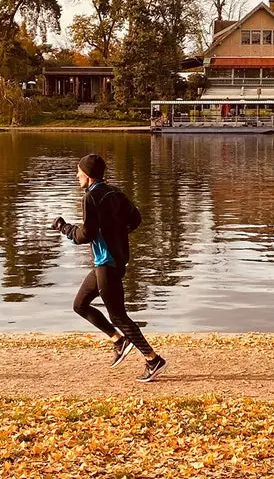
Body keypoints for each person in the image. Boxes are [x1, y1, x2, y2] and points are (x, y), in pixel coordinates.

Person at [53, 154, 167, 382]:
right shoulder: (116, 192)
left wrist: (66, 229)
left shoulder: (91, 197)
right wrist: (117, 235)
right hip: (108, 262)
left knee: (118, 315)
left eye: (79, 172)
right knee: (80, 305)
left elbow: (87, 234)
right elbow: (135, 219)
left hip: (107, 264)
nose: (76, 176)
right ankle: (118, 340)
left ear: (88, 174)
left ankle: (153, 359)